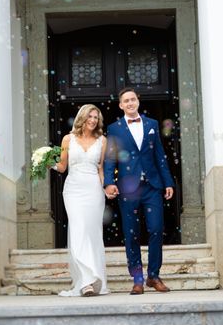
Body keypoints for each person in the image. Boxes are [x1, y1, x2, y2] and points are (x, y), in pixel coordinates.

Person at [104, 88, 175, 295]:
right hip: (128, 188)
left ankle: (154, 276)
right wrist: (109, 182)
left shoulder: (151, 124)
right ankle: (137, 279)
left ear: (138, 101)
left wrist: (168, 182)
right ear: (120, 105)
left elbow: (160, 156)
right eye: (125, 101)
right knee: (131, 233)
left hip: (152, 186)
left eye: (133, 99)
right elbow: (110, 158)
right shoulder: (114, 128)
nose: (130, 103)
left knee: (155, 229)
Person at [53, 104, 109, 297]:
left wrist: (106, 187)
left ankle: (94, 278)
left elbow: (101, 169)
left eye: (96, 117)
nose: (93, 120)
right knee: (78, 230)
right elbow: (62, 167)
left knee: (92, 232)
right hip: (73, 189)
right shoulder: (68, 139)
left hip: (94, 189)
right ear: (82, 118)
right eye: (90, 117)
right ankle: (85, 282)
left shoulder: (102, 141)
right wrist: (45, 161)